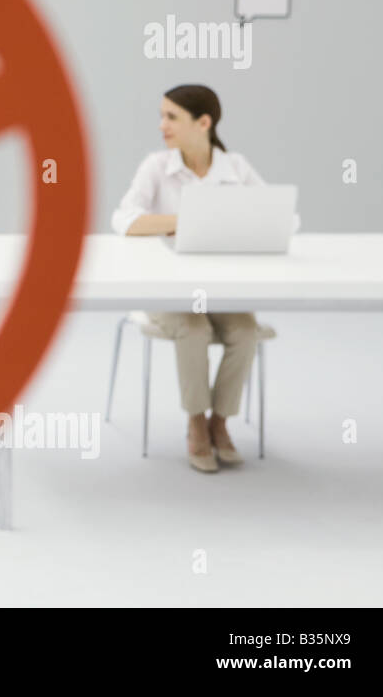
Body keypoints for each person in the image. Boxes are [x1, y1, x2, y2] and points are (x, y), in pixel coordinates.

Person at [111, 84, 297, 473]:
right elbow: (123, 218)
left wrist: (237, 222)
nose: (162, 125)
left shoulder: (237, 168)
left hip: (224, 291)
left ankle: (220, 423)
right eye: (161, 116)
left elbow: (284, 219)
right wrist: (187, 220)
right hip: (168, 293)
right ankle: (196, 424)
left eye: (171, 117)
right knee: (193, 330)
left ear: (204, 123)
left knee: (245, 331)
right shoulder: (157, 168)